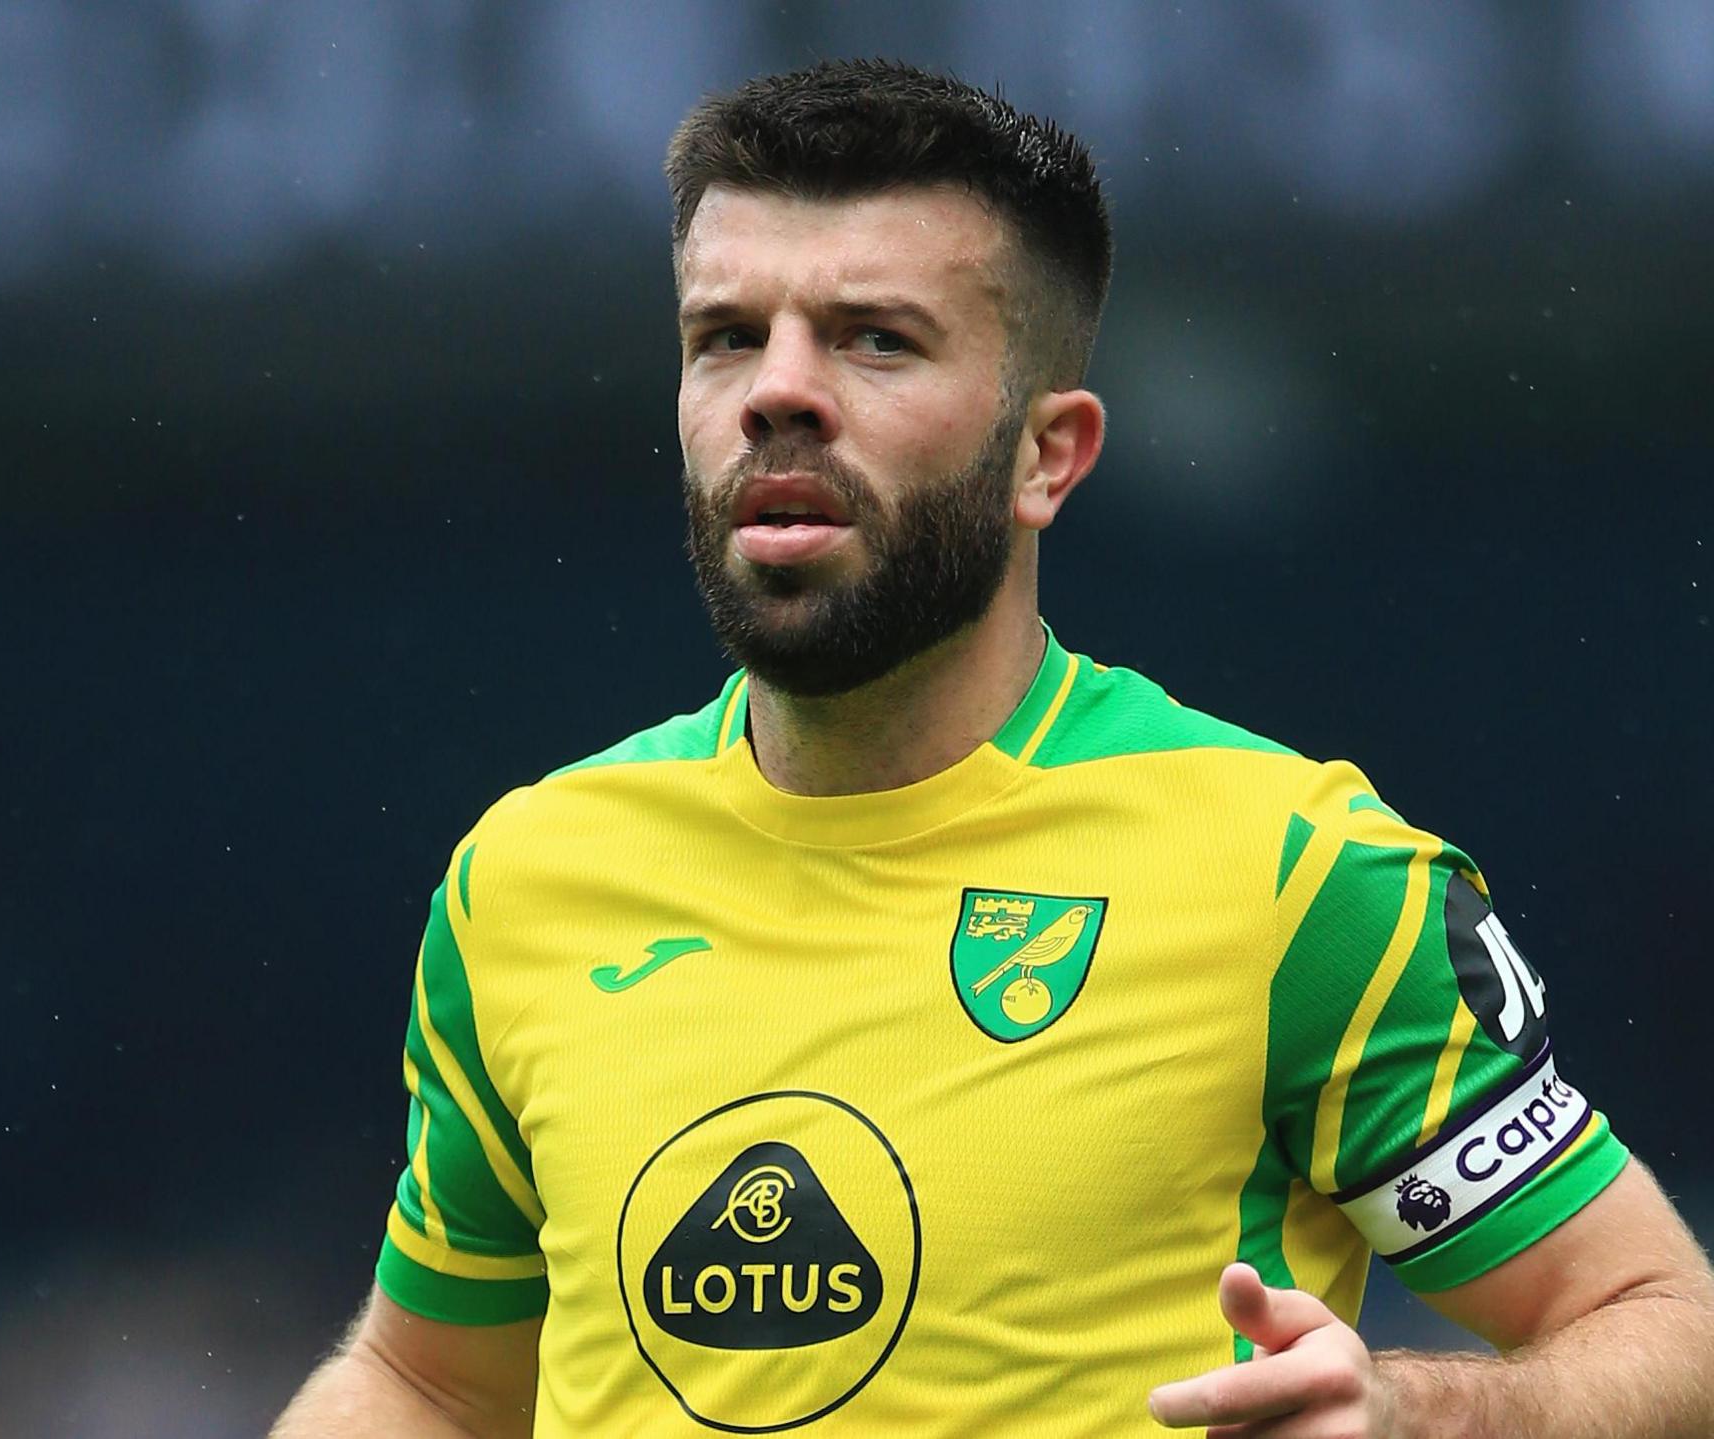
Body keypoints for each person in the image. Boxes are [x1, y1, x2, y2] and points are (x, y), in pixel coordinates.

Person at [272, 59, 1714, 1437]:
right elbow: (436, 1390)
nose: (779, 389)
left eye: (874, 338)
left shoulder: (1295, 876)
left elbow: (1667, 1325)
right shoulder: (525, 883)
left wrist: (1428, 1411)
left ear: (1049, 455)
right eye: (726, 337)